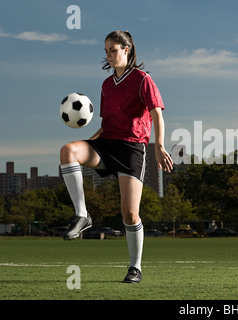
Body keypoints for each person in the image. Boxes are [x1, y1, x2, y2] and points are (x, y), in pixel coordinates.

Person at [59, 30, 173, 283]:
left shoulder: (143, 79)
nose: (109, 55)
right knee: (68, 151)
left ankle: (135, 268)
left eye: (113, 50)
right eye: (106, 51)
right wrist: (92, 140)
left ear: (127, 49)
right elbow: (107, 122)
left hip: (132, 149)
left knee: (129, 214)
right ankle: (82, 215)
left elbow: (157, 115)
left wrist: (159, 146)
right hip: (107, 143)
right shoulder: (106, 85)